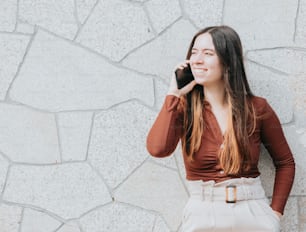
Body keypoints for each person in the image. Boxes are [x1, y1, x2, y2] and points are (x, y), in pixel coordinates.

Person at [146, 25, 295, 232]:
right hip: (202, 213)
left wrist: (275, 214)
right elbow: (157, 149)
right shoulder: (183, 109)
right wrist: (174, 94)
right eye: (194, 52)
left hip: (253, 214)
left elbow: (285, 162)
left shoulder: (257, 108)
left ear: (228, 62)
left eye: (208, 54)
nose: (197, 60)